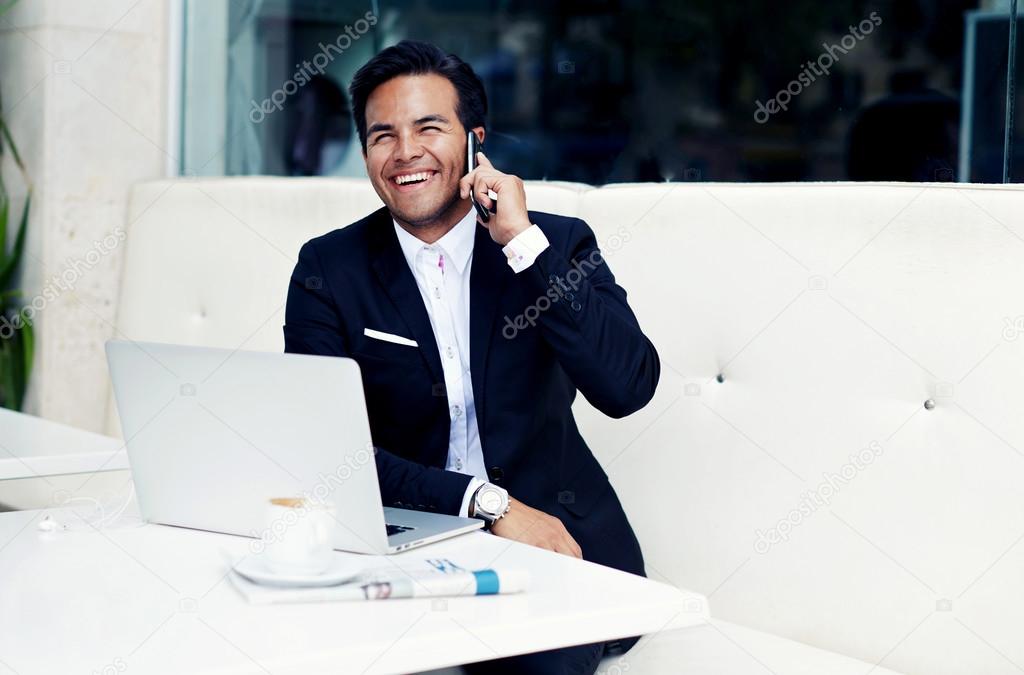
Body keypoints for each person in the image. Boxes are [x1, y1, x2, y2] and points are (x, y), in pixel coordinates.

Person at [284, 40, 660, 674]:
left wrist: (521, 244)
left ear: (474, 142)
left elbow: (627, 387)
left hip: (554, 545)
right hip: (401, 539)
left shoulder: (556, 244)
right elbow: (325, 449)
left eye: (429, 127)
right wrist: (487, 504)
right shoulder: (328, 267)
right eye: (383, 135)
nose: (405, 152)